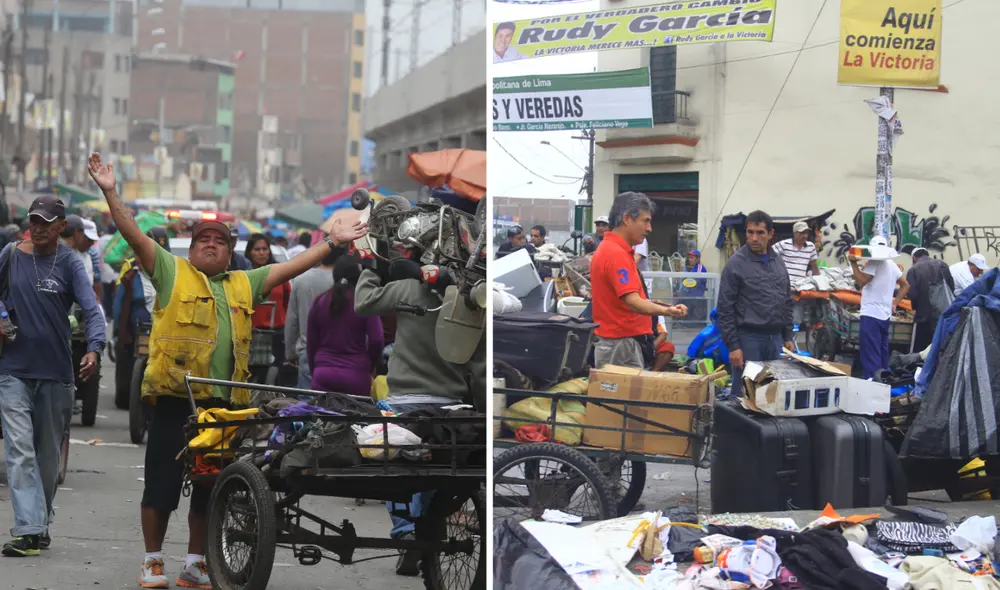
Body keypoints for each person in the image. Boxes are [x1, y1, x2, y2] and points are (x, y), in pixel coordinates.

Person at [84, 152, 366, 589]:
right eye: (203, 240)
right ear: (192, 249)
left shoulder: (244, 282)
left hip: (222, 406)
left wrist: (334, 243)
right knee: (160, 483)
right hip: (177, 399)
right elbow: (132, 233)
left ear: (230, 252)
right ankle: (153, 560)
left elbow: (294, 266)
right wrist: (110, 191)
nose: (211, 244)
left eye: (219, 240)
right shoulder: (170, 271)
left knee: (211, 487)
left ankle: (196, 561)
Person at [355, 257, 486, 576]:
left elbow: (364, 302)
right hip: (451, 407)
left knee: (389, 463)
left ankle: (405, 532)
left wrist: (372, 269)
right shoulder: (472, 299)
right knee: (436, 469)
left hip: (404, 403)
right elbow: (479, 367)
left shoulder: (407, 289)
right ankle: (427, 523)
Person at [0, 195, 105, 557]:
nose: (39, 228)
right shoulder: (11, 255)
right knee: (19, 451)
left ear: (62, 226)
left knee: (47, 458)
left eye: (46, 222)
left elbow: (91, 311)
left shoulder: (72, 265)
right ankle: (28, 530)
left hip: (57, 372)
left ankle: (39, 522)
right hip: (13, 370)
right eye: (34, 221)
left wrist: (94, 348)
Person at [590, 192, 686, 369]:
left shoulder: (614, 250)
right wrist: (669, 311)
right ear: (627, 219)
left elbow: (627, 300)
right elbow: (633, 302)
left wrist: (660, 306)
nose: (649, 228)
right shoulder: (616, 254)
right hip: (621, 347)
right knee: (622, 396)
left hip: (620, 345)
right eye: (645, 220)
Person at [717, 210, 795, 398]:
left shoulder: (778, 262)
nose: (754, 238)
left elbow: (786, 300)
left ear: (770, 234)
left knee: (769, 394)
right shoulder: (736, 264)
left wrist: (788, 335)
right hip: (748, 338)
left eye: (760, 233)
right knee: (746, 393)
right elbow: (725, 307)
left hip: (774, 339)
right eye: (750, 232)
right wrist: (733, 346)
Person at [307, 255, 383, 396]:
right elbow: (377, 340)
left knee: (323, 418)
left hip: (323, 374)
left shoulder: (319, 302)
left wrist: (317, 370)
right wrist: (369, 365)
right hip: (356, 376)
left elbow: (311, 343)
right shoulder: (364, 303)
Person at [848, 237, 910, 379]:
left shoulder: (874, 262)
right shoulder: (892, 265)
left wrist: (853, 264)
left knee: (870, 353)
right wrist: (895, 303)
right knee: (882, 352)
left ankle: (872, 384)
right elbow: (906, 285)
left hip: (871, 314)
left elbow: (862, 281)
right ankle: (884, 381)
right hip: (885, 315)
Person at [285, 247, 340, 388]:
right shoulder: (343, 282)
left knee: (306, 404)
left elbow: (292, 320)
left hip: (307, 351)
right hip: (338, 355)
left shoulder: (301, 280)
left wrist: (290, 352)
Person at [245, 233, 292, 369]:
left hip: (277, 334)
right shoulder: (244, 276)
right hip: (251, 335)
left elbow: (288, 303)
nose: (261, 253)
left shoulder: (280, 273)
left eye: (264, 249)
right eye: (257, 249)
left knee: (276, 375)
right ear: (250, 252)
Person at [906, 247, 955, 352]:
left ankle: (920, 367)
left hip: (924, 316)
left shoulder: (914, 269)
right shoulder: (943, 264)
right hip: (943, 313)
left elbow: (913, 294)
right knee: (940, 345)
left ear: (914, 257)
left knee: (921, 348)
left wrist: (915, 308)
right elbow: (951, 287)